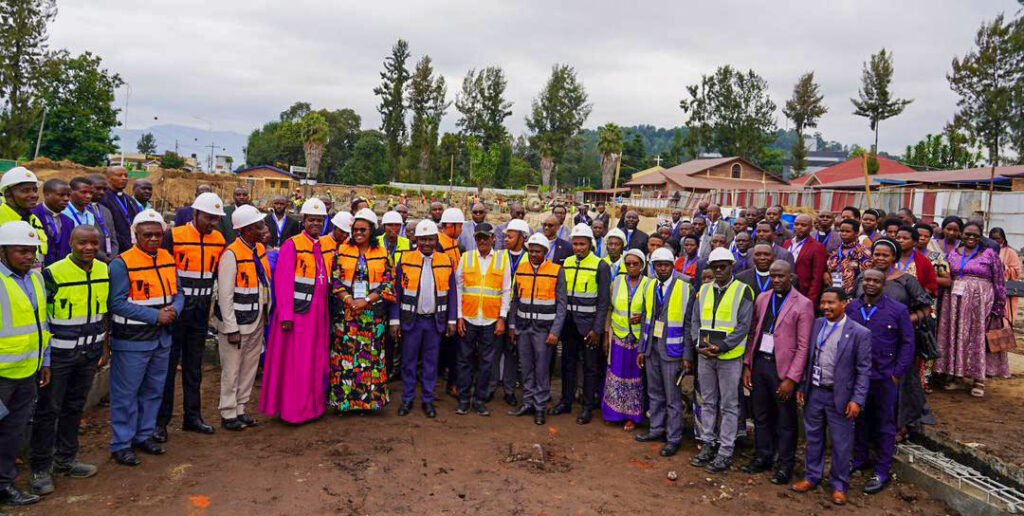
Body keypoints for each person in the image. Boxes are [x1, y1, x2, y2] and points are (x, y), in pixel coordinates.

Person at [30, 226, 107, 495]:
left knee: (74, 407)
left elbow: (104, 312)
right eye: (82, 243)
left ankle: (66, 459)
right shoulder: (52, 273)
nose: (89, 248)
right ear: (71, 243)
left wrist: (104, 348)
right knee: (48, 410)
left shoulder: (103, 270)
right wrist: (46, 360)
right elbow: (42, 318)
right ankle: (40, 468)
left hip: (89, 353)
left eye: (94, 243)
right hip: (60, 356)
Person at [108, 210, 183, 466]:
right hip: (133, 340)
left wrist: (174, 310)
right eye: (147, 234)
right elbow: (116, 303)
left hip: (162, 339)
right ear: (135, 235)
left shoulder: (167, 257)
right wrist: (154, 317)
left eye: (157, 234)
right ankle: (122, 443)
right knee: (126, 394)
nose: (153, 239)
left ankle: (144, 434)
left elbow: (178, 291)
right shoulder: (121, 263)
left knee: (153, 391)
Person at [154, 193, 226, 442]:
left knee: (194, 367)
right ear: (195, 214)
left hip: (201, 310)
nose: (213, 222)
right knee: (168, 367)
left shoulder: (218, 239)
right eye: (208, 217)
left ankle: (192, 417)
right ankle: (160, 423)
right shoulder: (173, 236)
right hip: (177, 310)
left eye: (216, 218)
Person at [791, 288, 871, 506]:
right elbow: (808, 358)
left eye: (831, 303)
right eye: (823, 303)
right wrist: (801, 386)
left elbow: (864, 370)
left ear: (844, 304)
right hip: (815, 392)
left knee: (841, 443)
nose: (825, 307)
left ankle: (839, 485)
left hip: (841, 397)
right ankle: (811, 477)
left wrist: (857, 400)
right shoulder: (816, 324)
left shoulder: (859, 332)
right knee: (813, 438)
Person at [741, 260, 813, 485]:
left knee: (785, 420)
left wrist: (792, 379)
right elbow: (754, 333)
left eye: (781, 276)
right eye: (773, 276)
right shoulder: (763, 298)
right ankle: (763, 456)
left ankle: (785, 465)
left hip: (783, 370)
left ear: (790, 276)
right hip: (760, 363)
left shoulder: (803, 304)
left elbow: (803, 346)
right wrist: (747, 365)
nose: (776, 280)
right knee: (761, 415)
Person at [260, 198, 331, 423]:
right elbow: (283, 283)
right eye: (312, 220)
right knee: (296, 364)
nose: (316, 224)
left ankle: (313, 407)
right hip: (298, 316)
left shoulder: (322, 246)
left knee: (314, 361)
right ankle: (294, 410)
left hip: (318, 316)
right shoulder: (293, 245)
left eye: (320, 220)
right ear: (304, 220)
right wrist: (287, 315)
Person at [846, 269, 914, 495]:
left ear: (884, 285)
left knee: (885, 425)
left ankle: (882, 471)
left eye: (876, 280)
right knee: (859, 420)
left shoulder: (898, 310)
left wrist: (897, 373)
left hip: (884, 377)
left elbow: (907, 343)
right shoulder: (852, 308)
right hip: (857, 377)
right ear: (861, 282)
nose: (871, 284)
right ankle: (860, 460)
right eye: (867, 280)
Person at [688, 247, 755, 473]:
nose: (718, 270)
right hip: (706, 356)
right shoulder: (704, 290)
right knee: (707, 401)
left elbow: (743, 326)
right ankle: (708, 443)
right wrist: (699, 344)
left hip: (729, 358)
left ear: (731, 266)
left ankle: (725, 451)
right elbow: (695, 321)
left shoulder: (743, 291)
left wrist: (723, 346)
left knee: (729, 405)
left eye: (722, 267)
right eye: (714, 267)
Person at [0, 222, 49, 507]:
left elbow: (41, 324)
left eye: (32, 251)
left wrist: (45, 361)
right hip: (2, 375)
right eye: (21, 251)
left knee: (11, 434)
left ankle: (5, 484)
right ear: (3, 251)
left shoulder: (35, 279)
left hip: (27, 371)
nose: (29, 257)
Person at [331, 209, 394, 413]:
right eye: (355, 229)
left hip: (372, 316)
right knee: (345, 358)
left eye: (363, 230)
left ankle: (369, 402)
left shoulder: (383, 253)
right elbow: (336, 281)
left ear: (372, 231)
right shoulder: (342, 250)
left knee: (371, 359)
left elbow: (387, 284)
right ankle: (345, 403)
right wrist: (350, 300)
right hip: (347, 314)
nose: (358, 233)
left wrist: (366, 300)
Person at [213, 205, 270, 431]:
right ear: (247, 229)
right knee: (232, 369)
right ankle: (227, 412)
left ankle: (240, 408)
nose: (264, 229)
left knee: (249, 367)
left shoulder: (257, 250)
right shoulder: (231, 254)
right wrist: (230, 327)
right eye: (259, 226)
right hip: (237, 323)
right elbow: (225, 296)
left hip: (256, 320)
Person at [391, 219, 456, 418]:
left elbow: (452, 292)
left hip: (435, 321)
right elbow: (397, 292)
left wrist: (452, 320)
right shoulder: (405, 259)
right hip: (412, 320)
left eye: (430, 239)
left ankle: (428, 400)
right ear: (416, 240)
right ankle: (408, 399)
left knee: (431, 363)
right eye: (423, 240)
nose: (427, 244)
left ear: (436, 240)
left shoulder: (445, 260)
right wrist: (395, 320)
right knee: (408, 363)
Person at [935, 221, 1008, 397]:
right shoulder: (953, 254)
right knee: (956, 335)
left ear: (981, 236)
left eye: (975, 235)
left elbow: (999, 281)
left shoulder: (990, 254)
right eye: (967, 234)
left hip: (980, 302)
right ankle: (956, 376)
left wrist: (999, 305)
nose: (971, 237)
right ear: (962, 234)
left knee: (978, 337)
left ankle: (979, 380)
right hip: (954, 302)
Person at [550, 224, 611, 424]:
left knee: (590, 367)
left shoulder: (600, 265)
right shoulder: (566, 263)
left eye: (582, 244)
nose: (578, 248)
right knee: (567, 364)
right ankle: (566, 401)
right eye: (575, 244)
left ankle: (586, 407)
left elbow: (603, 302)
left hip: (589, 327)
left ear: (590, 244)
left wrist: (597, 329)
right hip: (569, 325)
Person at [635, 247, 692, 454]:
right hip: (652, 349)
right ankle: (656, 429)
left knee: (673, 398)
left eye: (666, 265)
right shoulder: (650, 285)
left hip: (673, 350)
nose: (662, 268)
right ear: (653, 266)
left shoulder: (685, 286)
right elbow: (645, 317)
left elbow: (688, 324)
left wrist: (687, 355)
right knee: (655, 393)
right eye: (658, 265)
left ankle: (674, 437)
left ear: (673, 265)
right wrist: (642, 349)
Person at [507, 232, 567, 426]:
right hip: (524, 327)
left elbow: (561, 305)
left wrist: (555, 332)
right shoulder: (522, 269)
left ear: (545, 252)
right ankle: (528, 402)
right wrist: (513, 325)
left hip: (544, 330)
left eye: (537, 251)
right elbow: (515, 300)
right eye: (531, 250)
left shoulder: (557, 270)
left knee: (541, 369)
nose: (533, 254)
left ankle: (540, 406)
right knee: (525, 367)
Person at [455, 222, 511, 416]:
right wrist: (460, 317)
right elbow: (459, 289)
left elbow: (506, 291)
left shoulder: (502, 260)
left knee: (486, 363)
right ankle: (463, 400)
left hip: (490, 320)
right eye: (479, 238)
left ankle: (479, 400)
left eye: (486, 237)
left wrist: (502, 318)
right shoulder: (466, 258)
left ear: (493, 239)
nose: (482, 241)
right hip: (469, 319)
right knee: (465, 361)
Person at [602, 249, 650, 431]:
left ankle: (631, 416)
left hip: (637, 340)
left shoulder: (648, 284)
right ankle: (613, 413)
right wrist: (607, 335)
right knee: (616, 375)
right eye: (628, 264)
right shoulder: (617, 282)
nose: (631, 267)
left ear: (642, 265)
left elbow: (652, 311)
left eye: (635, 264)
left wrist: (642, 316)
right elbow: (609, 309)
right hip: (618, 337)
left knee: (634, 378)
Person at [488, 219, 531, 406]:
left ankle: (509, 389)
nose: (506, 239)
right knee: (494, 351)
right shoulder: (498, 256)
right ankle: (490, 387)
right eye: (506, 235)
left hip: (519, 311)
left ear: (521, 238)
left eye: (510, 236)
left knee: (512, 352)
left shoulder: (530, 258)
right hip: (498, 309)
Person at [438, 208, 464, 397]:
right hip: (442, 300)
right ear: (450, 226)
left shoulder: (454, 244)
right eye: (459, 226)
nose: (462, 229)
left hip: (453, 299)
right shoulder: (438, 244)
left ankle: (450, 382)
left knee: (452, 345)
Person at [64, 177, 116, 262]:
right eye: (83, 192)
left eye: (91, 193)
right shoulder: (64, 214)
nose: (88, 196)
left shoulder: (90, 215)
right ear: (70, 192)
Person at [0, 167, 48, 257]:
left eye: (35, 190)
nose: (34, 195)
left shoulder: (34, 220)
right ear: (8, 195)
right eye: (25, 191)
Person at [785, 214, 827, 307]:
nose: (799, 227)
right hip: (785, 290)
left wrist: (810, 300)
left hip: (803, 293)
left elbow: (817, 278)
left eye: (803, 225)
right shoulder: (787, 243)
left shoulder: (817, 247)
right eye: (796, 224)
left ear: (811, 228)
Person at [31, 179, 73, 266]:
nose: (66, 199)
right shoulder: (31, 215)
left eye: (68, 195)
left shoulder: (69, 222)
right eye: (61, 195)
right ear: (46, 195)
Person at [98, 166, 140, 252]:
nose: (124, 178)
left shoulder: (130, 200)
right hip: (114, 248)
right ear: (109, 178)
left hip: (132, 246)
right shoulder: (103, 199)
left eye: (126, 175)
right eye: (119, 175)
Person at [825, 219, 872, 294]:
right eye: (842, 231)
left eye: (847, 231)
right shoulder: (835, 253)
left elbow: (866, 277)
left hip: (853, 295)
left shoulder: (864, 253)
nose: (843, 234)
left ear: (856, 233)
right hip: (833, 293)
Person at [894, 225, 939, 297]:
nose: (900, 240)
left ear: (914, 242)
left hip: (914, 302)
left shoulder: (924, 261)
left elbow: (931, 285)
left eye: (905, 238)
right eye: (898, 238)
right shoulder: (889, 258)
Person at [85, 175, 119, 261]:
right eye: (98, 188)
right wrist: (103, 257)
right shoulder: (83, 210)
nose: (102, 192)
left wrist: (112, 256)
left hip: (110, 258)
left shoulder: (106, 210)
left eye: (104, 189)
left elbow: (113, 237)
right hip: (92, 258)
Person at [990, 227, 1020, 323]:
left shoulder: (1010, 252)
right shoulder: (984, 250)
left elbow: (1017, 272)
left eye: (997, 238)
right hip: (989, 287)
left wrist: (1004, 267)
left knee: (1004, 318)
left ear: (1003, 239)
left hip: (1005, 289)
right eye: (992, 238)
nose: (995, 241)